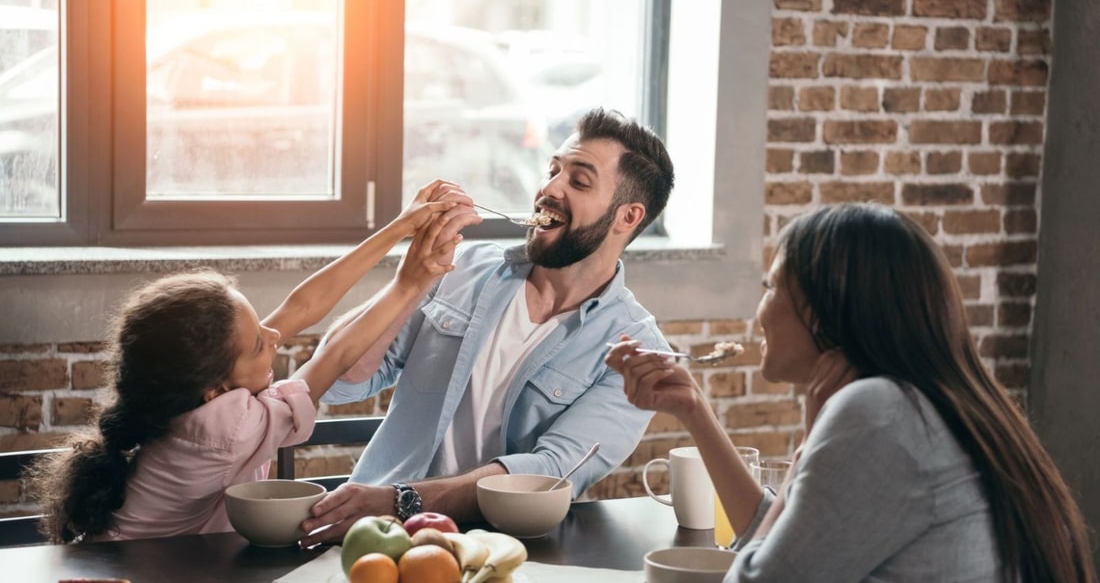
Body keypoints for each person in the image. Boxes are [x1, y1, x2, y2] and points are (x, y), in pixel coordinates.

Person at [606, 203, 1096, 583]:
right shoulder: (919, 404)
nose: (759, 311)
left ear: (822, 312)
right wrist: (694, 412)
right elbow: (779, 544)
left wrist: (810, 440)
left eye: (771, 287)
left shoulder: (878, 413)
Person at [301, 108, 676, 544]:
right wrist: (409, 283)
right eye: (553, 170)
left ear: (627, 217)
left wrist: (401, 500)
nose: (549, 188)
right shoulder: (465, 268)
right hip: (377, 534)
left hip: (510, 550)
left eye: (578, 181)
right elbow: (339, 379)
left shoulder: (640, 352)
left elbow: (551, 472)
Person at [27, 181, 465, 543]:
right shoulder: (224, 430)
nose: (275, 336)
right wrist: (413, 281)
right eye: (259, 345)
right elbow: (335, 356)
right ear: (216, 390)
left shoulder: (193, 388)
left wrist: (400, 227)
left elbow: (301, 306)